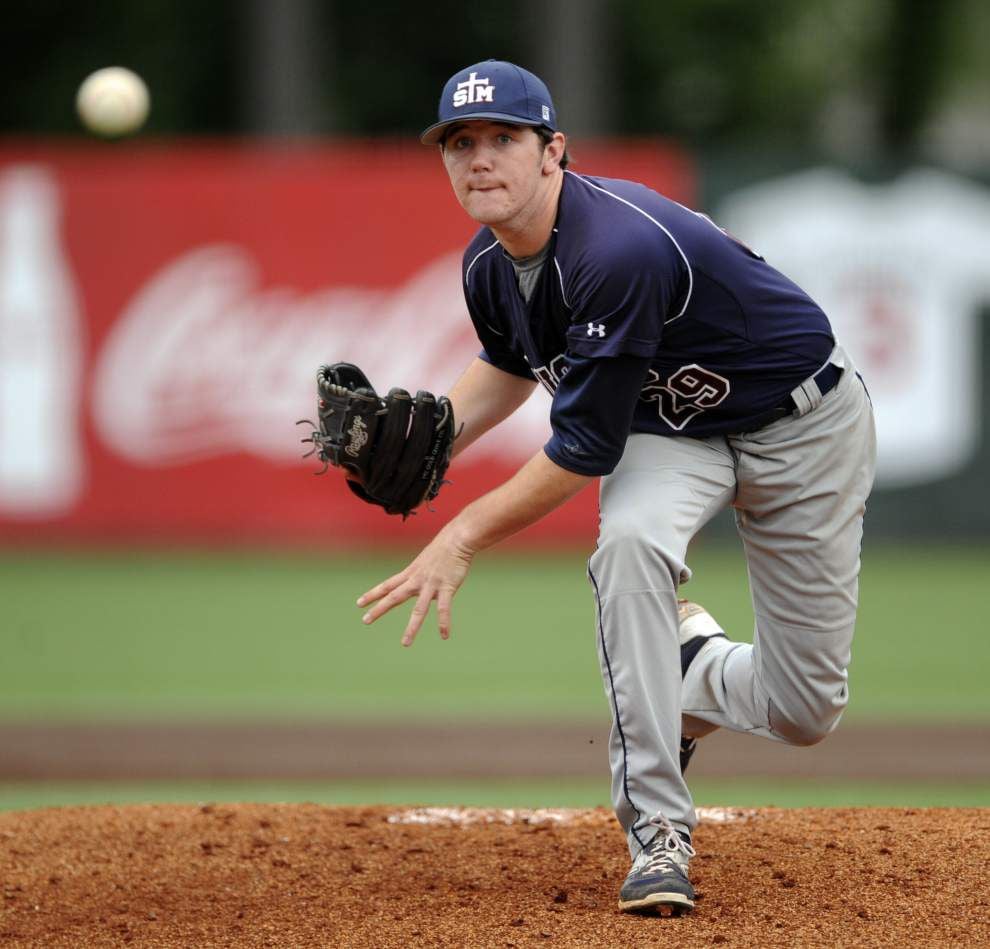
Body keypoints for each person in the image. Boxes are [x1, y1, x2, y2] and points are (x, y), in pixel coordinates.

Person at [356, 59, 876, 915]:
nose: (479, 159)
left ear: (553, 151)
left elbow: (583, 448)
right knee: (629, 548)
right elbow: (510, 365)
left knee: (803, 709)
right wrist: (439, 432)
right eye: (460, 143)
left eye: (502, 139)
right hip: (671, 431)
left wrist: (460, 534)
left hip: (804, 425)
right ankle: (658, 836)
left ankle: (689, 665)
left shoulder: (616, 248)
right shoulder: (487, 262)